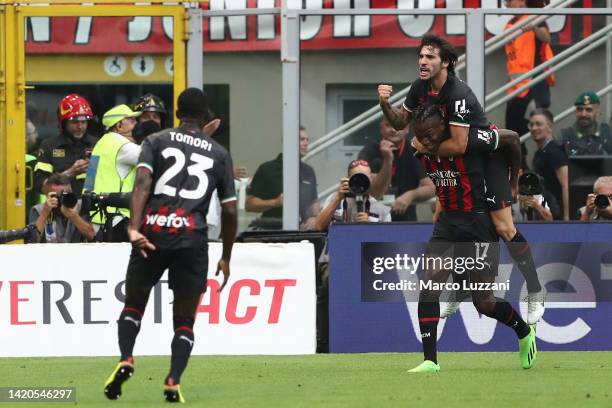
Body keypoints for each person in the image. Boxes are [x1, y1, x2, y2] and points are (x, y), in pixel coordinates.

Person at [379, 33, 545, 325]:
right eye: (420, 56)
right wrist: (383, 103)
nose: (422, 61)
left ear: (445, 62)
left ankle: (535, 289)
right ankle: (457, 291)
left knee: (504, 227)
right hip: (458, 161)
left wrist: (514, 184)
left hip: (483, 156)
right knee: (450, 219)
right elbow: (399, 124)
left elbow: (460, 144)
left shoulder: (457, 93)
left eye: (430, 57)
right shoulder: (420, 88)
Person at [103, 88, 237, 403]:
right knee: (185, 319)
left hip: (152, 234)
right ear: (206, 117)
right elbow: (230, 210)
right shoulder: (218, 152)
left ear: (176, 113)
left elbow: (142, 183)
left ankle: (126, 358)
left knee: (134, 304)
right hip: (192, 240)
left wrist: (134, 228)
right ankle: (174, 379)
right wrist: (227, 256)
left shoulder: (156, 141)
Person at [407, 103, 536, 373]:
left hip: (479, 221)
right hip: (448, 223)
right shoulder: (419, 147)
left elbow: (511, 138)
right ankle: (430, 360)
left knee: (484, 301)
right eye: (420, 134)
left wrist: (512, 181)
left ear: (444, 126)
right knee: (429, 283)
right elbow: (443, 180)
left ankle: (523, 332)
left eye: (430, 133)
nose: (425, 139)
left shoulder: (471, 143)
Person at [83, 104, 142, 242]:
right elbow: (155, 158)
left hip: (98, 217)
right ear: (119, 125)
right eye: (132, 120)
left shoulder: (102, 143)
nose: (136, 123)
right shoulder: (123, 147)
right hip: (116, 219)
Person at [357, 118, 435, 221]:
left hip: (405, 220)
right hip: (373, 220)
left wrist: (409, 196)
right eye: (388, 125)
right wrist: (388, 160)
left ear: (407, 129)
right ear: (381, 129)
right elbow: (374, 194)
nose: (393, 130)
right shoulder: (369, 151)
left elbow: (432, 187)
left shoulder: (416, 151)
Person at [245, 126, 320, 229]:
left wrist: (314, 217)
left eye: (307, 140)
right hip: (271, 229)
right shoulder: (267, 169)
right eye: (301, 139)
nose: (306, 143)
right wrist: (274, 202)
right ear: (288, 141)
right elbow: (249, 204)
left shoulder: (308, 171)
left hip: (301, 231)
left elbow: (314, 201)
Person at [503, 0, 555, 138]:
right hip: (516, 81)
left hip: (534, 76)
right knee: (512, 124)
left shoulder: (534, 18)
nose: (506, 5)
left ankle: (547, 151)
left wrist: (534, 28)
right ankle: (521, 157)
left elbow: (546, 38)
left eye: (509, 1)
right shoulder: (510, 24)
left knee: (539, 115)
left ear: (521, 2)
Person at [34, 94, 97, 198]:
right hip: (59, 207)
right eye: (74, 122)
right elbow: (40, 185)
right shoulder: (49, 146)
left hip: (91, 208)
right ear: (63, 123)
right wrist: (70, 172)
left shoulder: (97, 144)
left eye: (83, 121)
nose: (80, 126)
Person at [28, 173, 94, 243]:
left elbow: (91, 235)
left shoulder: (80, 206)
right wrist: (45, 213)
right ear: (48, 196)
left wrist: (74, 217)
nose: (62, 199)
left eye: (66, 194)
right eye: (57, 195)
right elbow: (33, 240)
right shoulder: (38, 210)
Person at [530, 108, 569, 220]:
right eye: (531, 124)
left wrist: (567, 219)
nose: (534, 128)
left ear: (550, 127)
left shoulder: (555, 151)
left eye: (538, 124)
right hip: (546, 213)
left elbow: (565, 185)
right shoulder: (540, 153)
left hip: (558, 218)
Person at [559, 92, 612, 156]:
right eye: (580, 109)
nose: (583, 114)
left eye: (588, 110)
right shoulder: (565, 135)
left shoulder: (606, 134)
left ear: (597, 112)